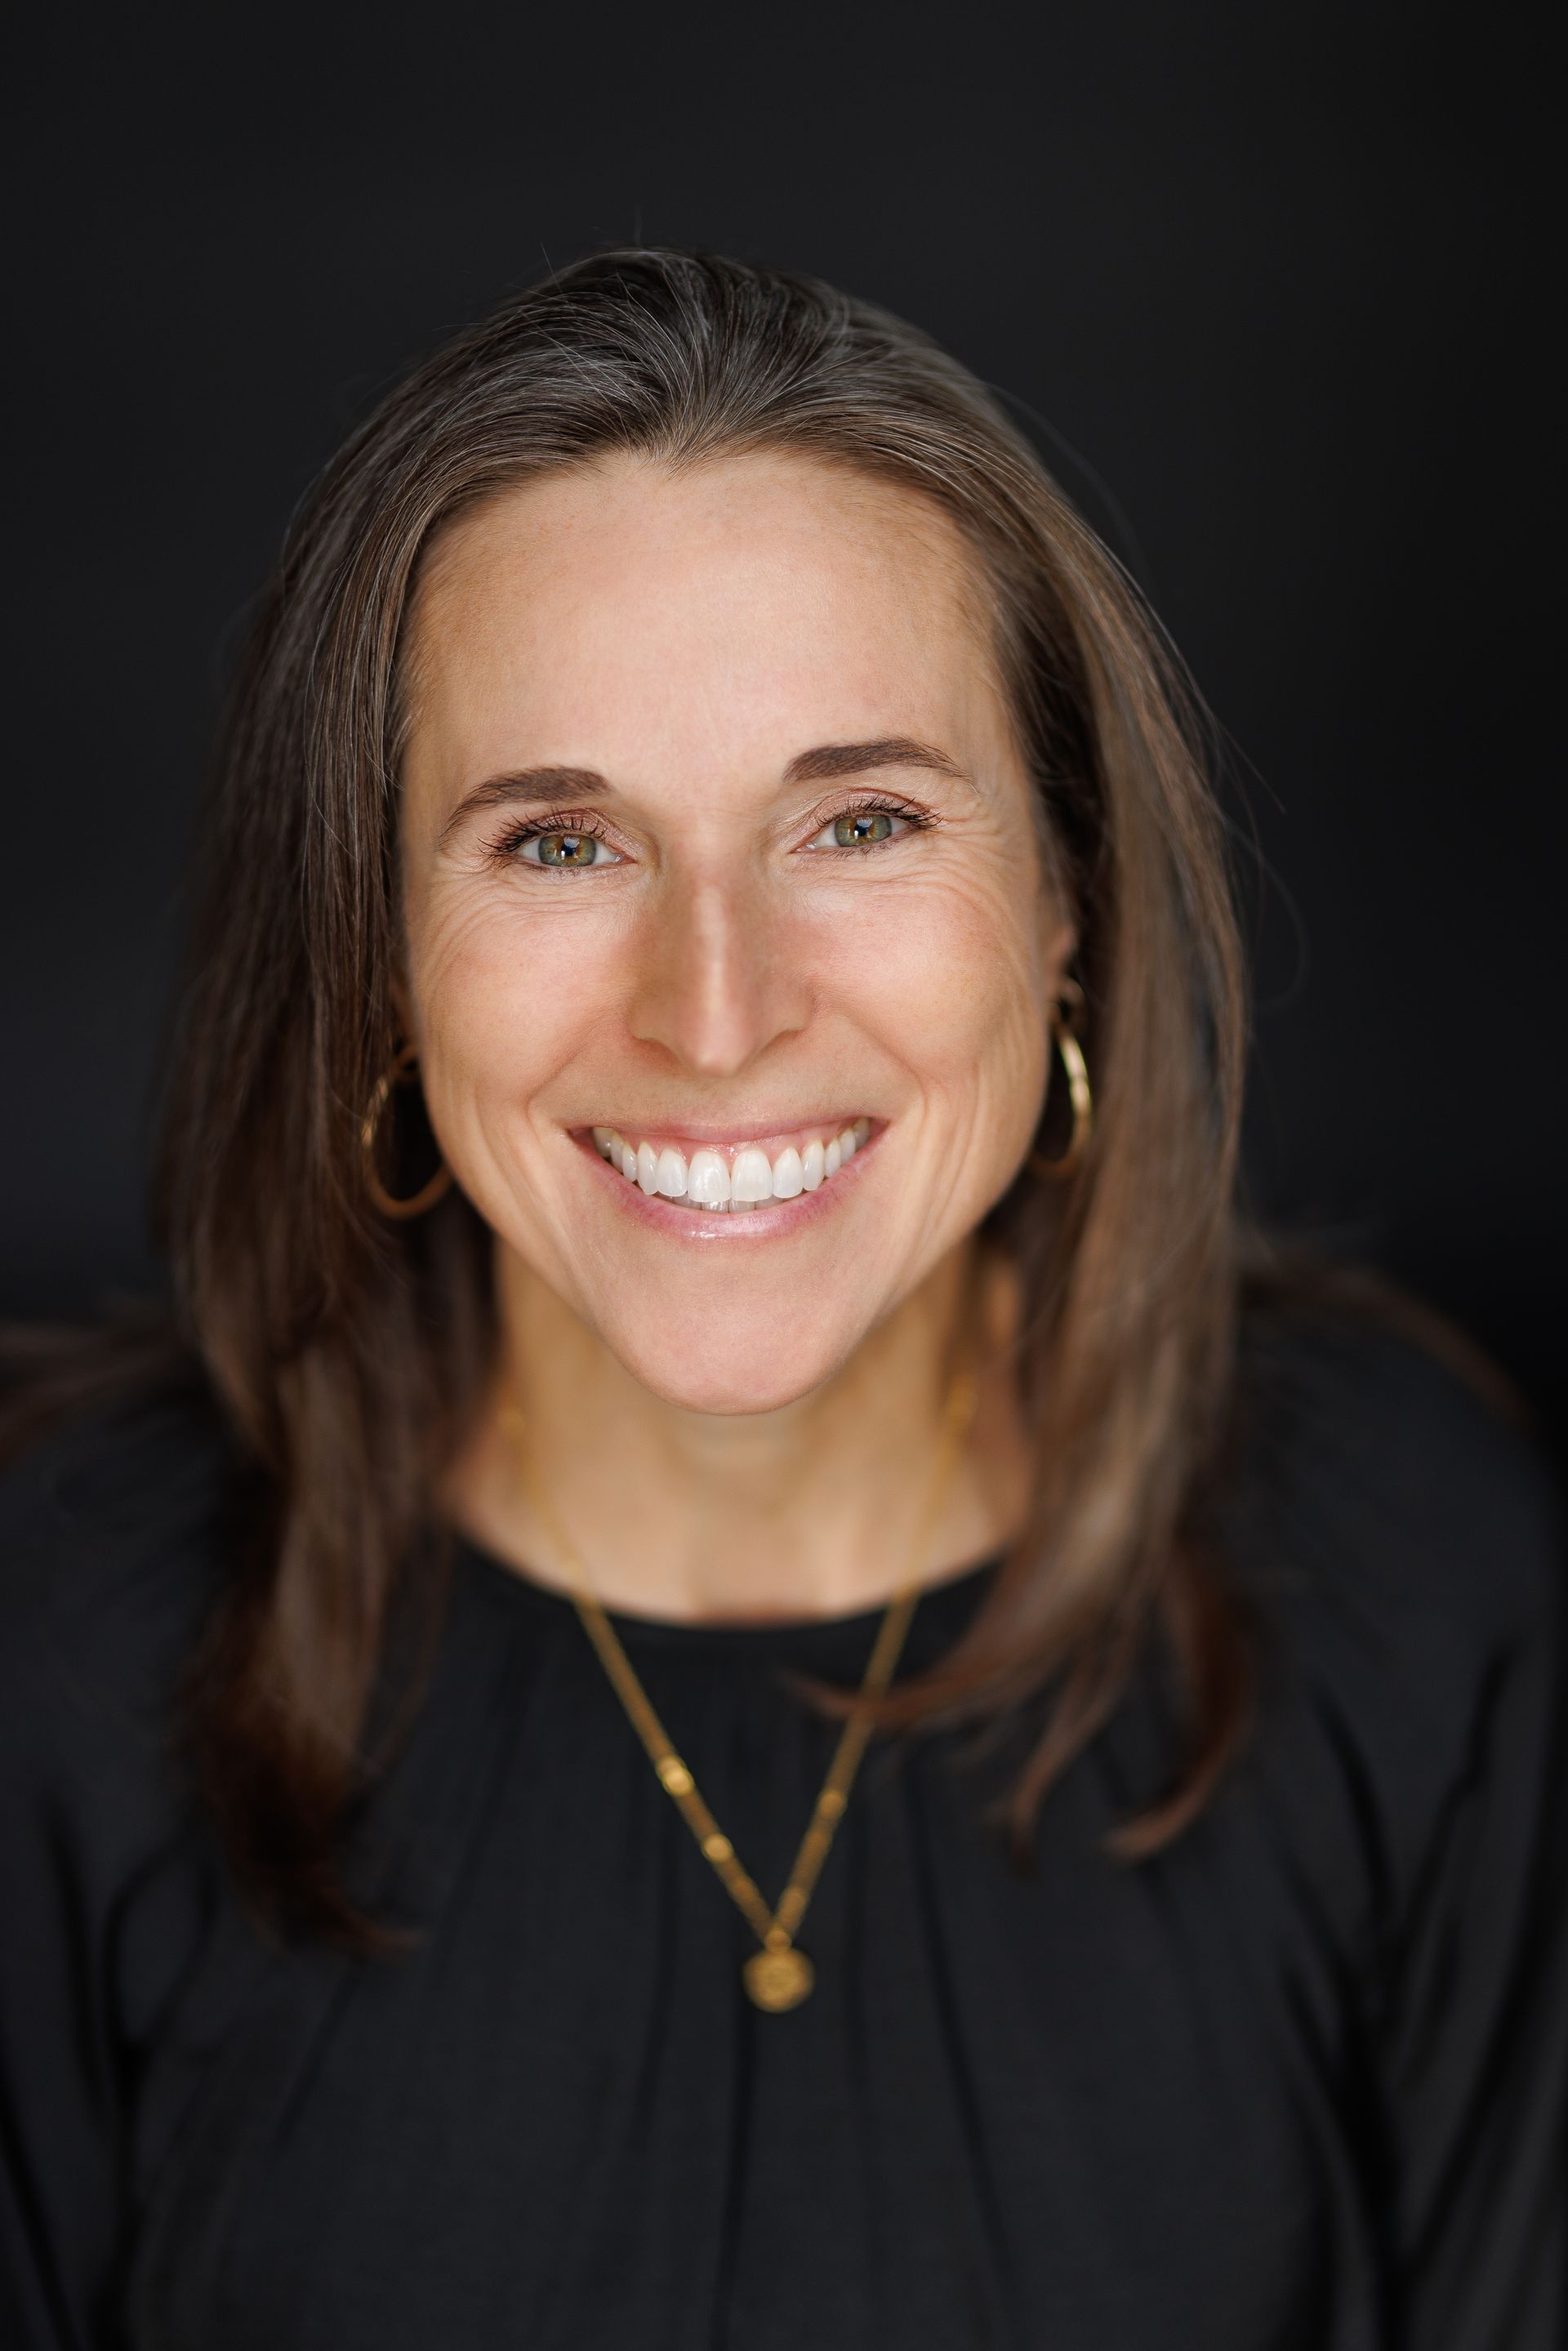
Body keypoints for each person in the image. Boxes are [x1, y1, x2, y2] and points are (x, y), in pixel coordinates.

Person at [1, 247, 1562, 2351]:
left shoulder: (1410, 1570)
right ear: (376, 946)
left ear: (1068, 906)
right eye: (559, 845)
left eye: (860, 819)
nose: (715, 1015)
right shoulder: (57, 1635)